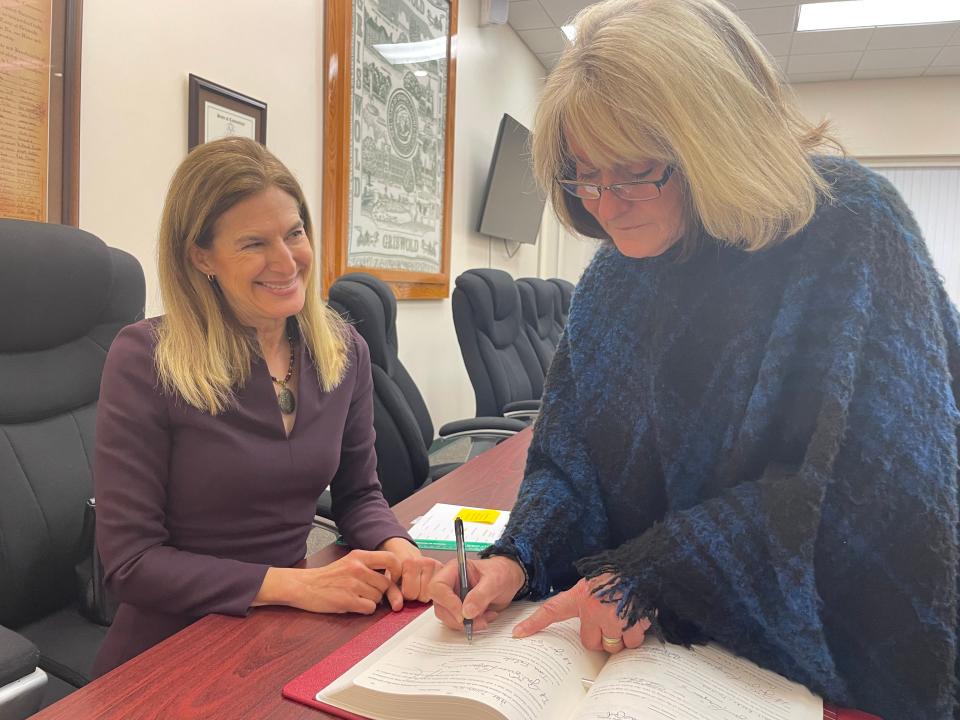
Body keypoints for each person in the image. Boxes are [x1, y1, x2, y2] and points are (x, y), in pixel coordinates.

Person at [429, 1, 960, 717]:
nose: (606, 205)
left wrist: (649, 579)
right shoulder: (615, 276)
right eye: (584, 174)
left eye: (634, 170)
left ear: (717, 138)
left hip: (820, 659)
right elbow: (570, 462)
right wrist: (514, 555)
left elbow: (862, 497)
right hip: (660, 657)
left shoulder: (850, 229)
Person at [93, 137, 438, 676]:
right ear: (200, 256)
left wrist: (402, 549)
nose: (286, 261)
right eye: (253, 243)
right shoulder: (147, 358)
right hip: (169, 651)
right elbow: (131, 563)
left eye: (294, 233)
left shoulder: (343, 351)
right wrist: (297, 585)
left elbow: (360, 494)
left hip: (284, 633)